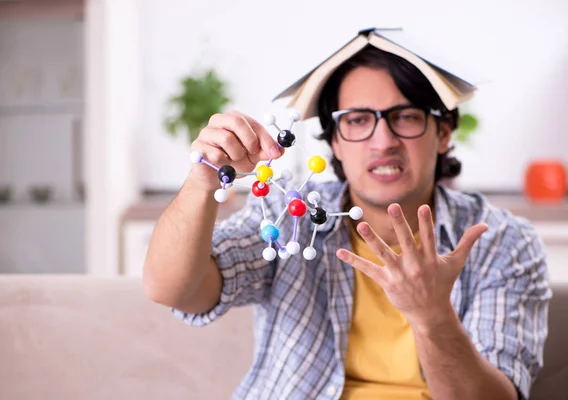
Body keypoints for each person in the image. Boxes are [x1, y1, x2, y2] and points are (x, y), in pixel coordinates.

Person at [143, 40, 551, 400]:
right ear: (334, 141)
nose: (383, 140)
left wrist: (432, 318)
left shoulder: (499, 242)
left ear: (443, 132)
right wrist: (202, 181)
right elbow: (173, 289)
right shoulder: (293, 218)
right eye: (357, 120)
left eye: (406, 116)